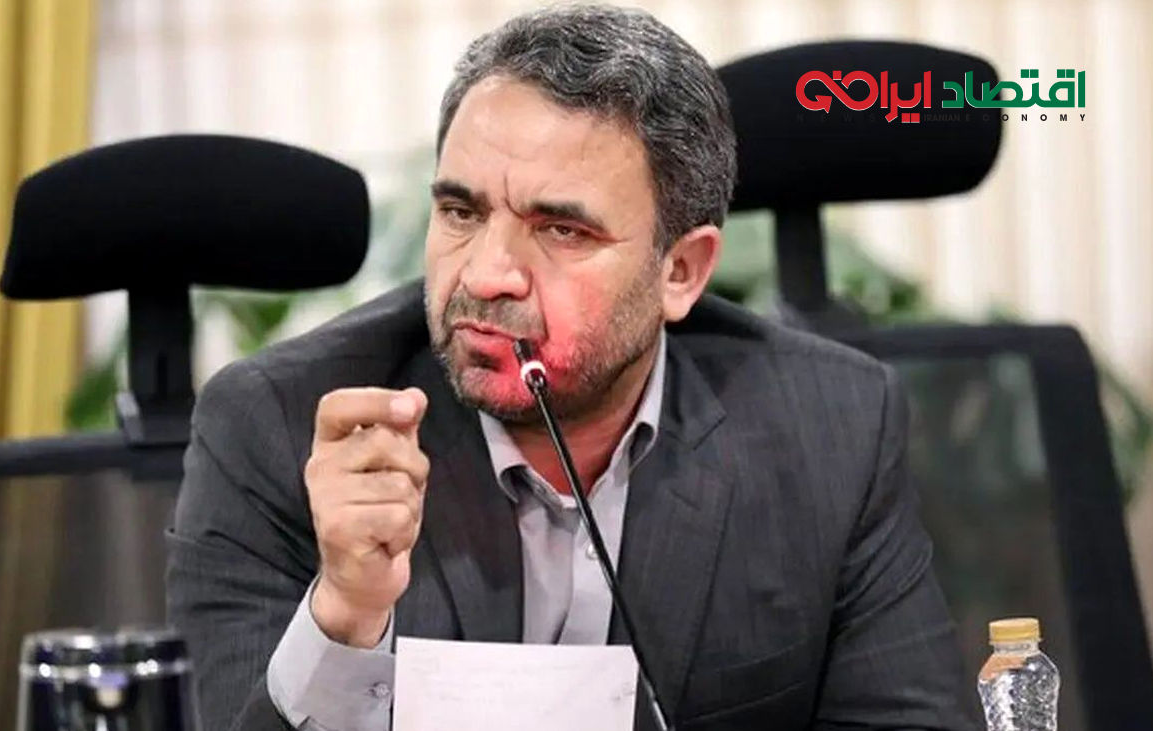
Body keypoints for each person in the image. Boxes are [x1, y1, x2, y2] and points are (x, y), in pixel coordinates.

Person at [167, 5, 977, 730]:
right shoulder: (281, 428)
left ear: (681, 272)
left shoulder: (828, 423)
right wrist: (345, 614)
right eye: (461, 211)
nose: (488, 274)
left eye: (561, 230)